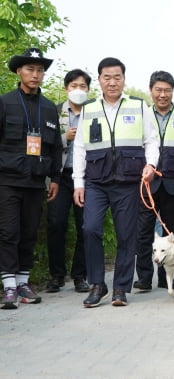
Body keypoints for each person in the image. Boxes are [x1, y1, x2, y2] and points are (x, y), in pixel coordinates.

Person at [73, 57, 159, 308]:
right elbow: (79, 148)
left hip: (128, 181)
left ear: (124, 79)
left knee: (126, 235)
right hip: (96, 182)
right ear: (99, 80)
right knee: (90, 229)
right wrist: (79, 182)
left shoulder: (138, 106)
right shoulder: (88, 109)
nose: (112, 82)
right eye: (107, 77)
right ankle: (97, 284)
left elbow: (151, 140)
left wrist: (150, 165)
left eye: (117, 77)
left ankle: (120, 287)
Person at [0, 48, 63, 309]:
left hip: (36, 182)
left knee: (28, 232)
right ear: (19, 71)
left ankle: (24, 281)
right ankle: (9, 286)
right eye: (30, 70)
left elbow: (56, 147)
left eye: (40, 71)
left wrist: (56, 178)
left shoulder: (49, 108)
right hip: (7, 180)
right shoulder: (5, 102)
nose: (35, 75)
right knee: (8, 232)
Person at [134, 71, 174, 291]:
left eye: (167, 90)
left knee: (171, 232)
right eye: (158, 90)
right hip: (147, 185)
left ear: (173, 92)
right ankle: (143, 277)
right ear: (151, 90)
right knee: (143, 231)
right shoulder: (142, 114)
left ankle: (165, 276)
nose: (163, 95)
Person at [45, 69, 92, 294]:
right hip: (60, 176)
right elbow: (46, 143)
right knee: (56, 223)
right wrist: (66, 138)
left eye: (83, 86)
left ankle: (80, 275)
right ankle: (56, 275)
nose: (78, 90)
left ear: (88, 90)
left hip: (86, 177)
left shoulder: (94, 112)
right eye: (74, 86)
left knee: (85, 225)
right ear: (66, 88)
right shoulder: (54, 112)